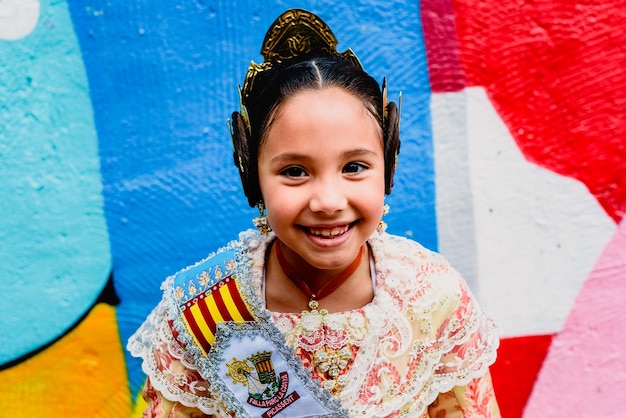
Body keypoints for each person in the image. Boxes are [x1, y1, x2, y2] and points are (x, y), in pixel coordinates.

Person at [128, 8, 500, 417]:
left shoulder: (432, 296)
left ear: (388, 166)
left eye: (354, 167)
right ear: (252, 174)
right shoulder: (202, 311)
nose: (327, 201)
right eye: (294, 171)